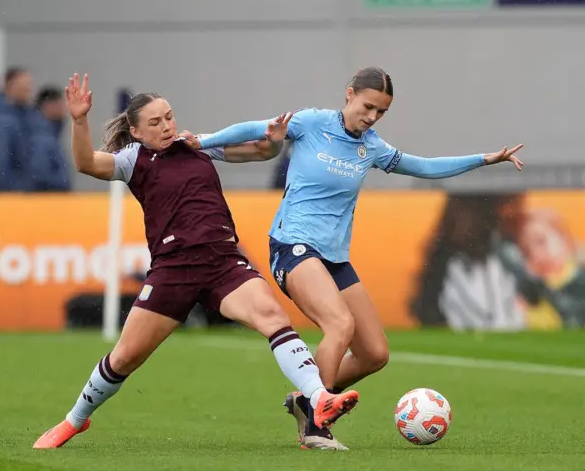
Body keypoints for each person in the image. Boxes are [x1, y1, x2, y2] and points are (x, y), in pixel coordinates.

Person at [185, 66, 525, 450]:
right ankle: (315, 423)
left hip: (333, 258)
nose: (372, 117)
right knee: (339, 324)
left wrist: (485, 159)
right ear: (349, 94)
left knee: (374, 353)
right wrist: (200, 141)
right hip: (292, 246)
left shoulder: (373, 148)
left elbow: (425, 167)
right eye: (368, 106)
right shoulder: (311, 123)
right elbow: (253, 128)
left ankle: (306, 399)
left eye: (381, 112)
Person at [32, 73, 359, 449]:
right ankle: (74, 421)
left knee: (273, 319)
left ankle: (318, 399)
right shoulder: (133, 160)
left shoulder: (196, 145)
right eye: (155, 122)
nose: (167, 125)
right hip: (173, 270)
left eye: (168, 116)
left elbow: (259, 152)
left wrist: (274, 141)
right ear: (136, 132)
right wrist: (78, 120)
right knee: (124, 357)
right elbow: (86, 162)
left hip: (223, 260)